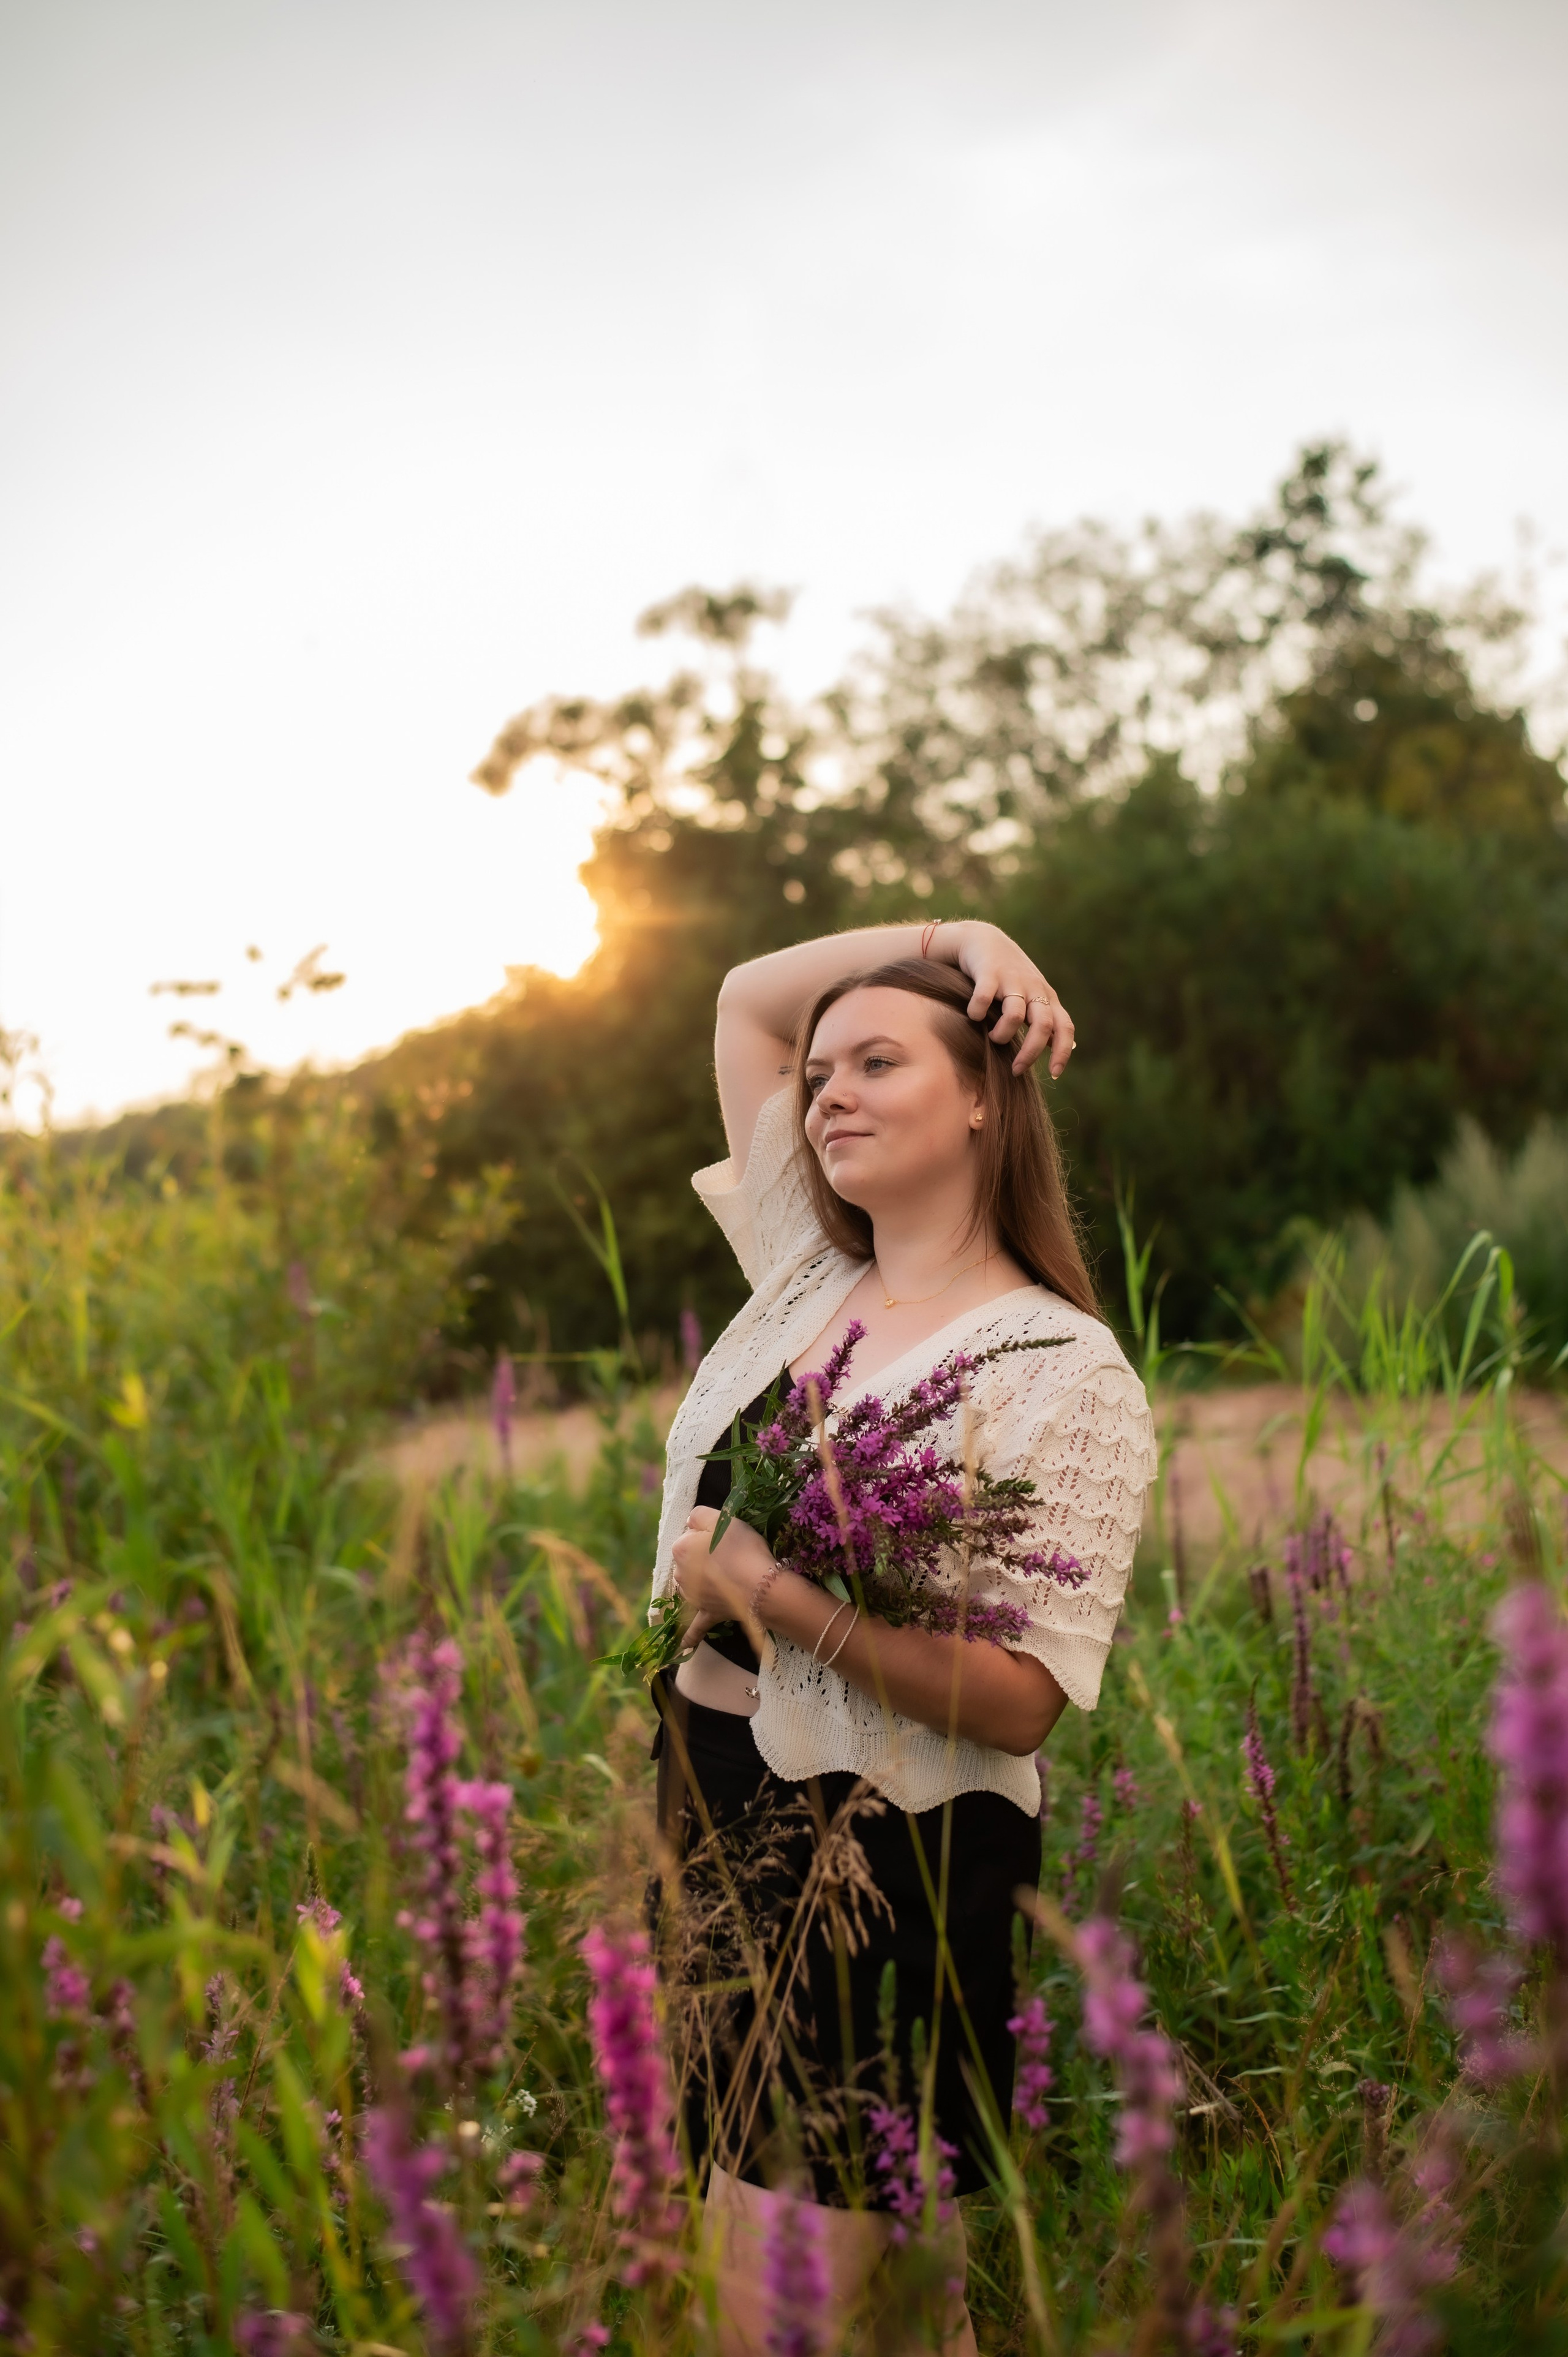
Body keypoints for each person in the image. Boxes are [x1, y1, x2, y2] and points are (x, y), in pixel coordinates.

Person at [648, 918, 1156, 2355]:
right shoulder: (805, 1270)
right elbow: (748, 997)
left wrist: (781, 1603)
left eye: (878, 1061)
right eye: (819, 1076)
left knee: (781, 2318)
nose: (825, 1094)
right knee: (816, 2302)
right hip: (712, 1807)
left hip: (882, 1857)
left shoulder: (1062, 1368)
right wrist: (948, 934)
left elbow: (1016, 1702)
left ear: (987, 1094)